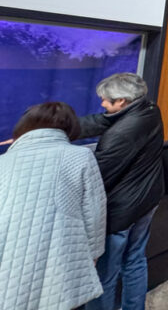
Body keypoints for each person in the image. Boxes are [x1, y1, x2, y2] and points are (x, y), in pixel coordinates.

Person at [0, 102, 107, 310]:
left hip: (8, 255)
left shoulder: (3, 161)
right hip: (62, 254)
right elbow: (94, 210)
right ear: (71, 127)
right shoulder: (81, 156)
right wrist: (93, 254)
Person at [80, 73, 164, 310]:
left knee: (103, 274)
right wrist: (59, 126)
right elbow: (104, 120)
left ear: (123, 102)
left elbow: (98, 176)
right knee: (135, 260)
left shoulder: (121, 134)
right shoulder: (148, 109)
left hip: (120, 210)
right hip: (147, 201)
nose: (102, 103)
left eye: (106, 100)